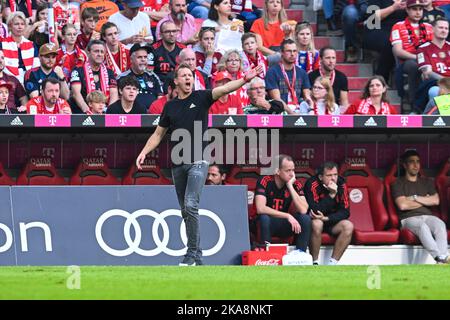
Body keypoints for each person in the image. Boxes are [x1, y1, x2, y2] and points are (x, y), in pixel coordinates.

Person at [135, 62, 263, 266]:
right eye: (183, 75)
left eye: (190, 75)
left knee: (191, 204)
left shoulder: (201, 97)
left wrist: (245, 79)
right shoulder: (170, 106)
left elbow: (225, 88)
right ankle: (198, 256)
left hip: (199, 160)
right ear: (175, 81)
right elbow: (158, 134)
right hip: (178, 163)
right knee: (185, 211)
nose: (188, 78)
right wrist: (143, 152)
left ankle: (190, 254)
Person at [391, 150, 449, 264]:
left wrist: (414, 198)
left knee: (440, 224)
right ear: (405, 165)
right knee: (422, 226)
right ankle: (439, 257)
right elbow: (402, 205)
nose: (415, 165)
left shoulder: (427, 182)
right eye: (411, 162)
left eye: (418, 162)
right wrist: (425, 200)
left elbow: (435, 200)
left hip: (428, 216)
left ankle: (442, 257)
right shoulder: (398, 183)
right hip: (408, 219)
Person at [254, 154, 312, 253]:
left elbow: (303, 209)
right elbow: (260, 208)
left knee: (305, 219)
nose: (292, 174)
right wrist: (287, 216)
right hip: (267, 223)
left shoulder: (295, 183)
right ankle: (267, 255)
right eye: (288, 170)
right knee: (264, 218)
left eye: (293, 170)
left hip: (284, 223)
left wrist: (290, 186)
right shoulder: (265, 180)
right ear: (277, 171)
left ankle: (300, 255)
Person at [303, 162, 354, 265]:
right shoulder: (312, 184)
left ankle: (332, 264)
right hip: (315, 220)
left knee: (348, 226)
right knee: (317, 224)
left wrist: (327, 218)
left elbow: (345, 212)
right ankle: (315, 263)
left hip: (331, 221)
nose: (333, 178)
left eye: (335, 174)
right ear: (321, 177)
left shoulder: (341, 184)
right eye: (329, 175)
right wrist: (331, 195)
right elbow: (314, 210)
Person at [390, 0, 433, 106]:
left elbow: (434, 48)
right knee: (415, 65)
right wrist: (418, 58)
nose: (418, 12)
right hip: (407, 62)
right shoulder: (398, 26)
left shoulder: (429, 26)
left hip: (428, 61)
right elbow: (398, 51)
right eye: (414, 9)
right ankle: (415, 104)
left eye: (420, 9)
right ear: (407, 10)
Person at [70, 39, 118, 113]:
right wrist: (87, 111)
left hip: (104, 112)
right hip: (83, 113)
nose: (99, 54)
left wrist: (109, 111)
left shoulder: (109, 71)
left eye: (102, 52)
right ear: (88, 52)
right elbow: (76, 93)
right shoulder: (78, 69)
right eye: (96, 51)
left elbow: (114, 93)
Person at [265, 39, 312, 113]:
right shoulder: (272, 72)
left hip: (299, 110)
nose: (292, 54)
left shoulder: (302, 73)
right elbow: (277, 99)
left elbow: (307, 95)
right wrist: (291, 113)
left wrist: (310, 104)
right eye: (289, 51)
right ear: (282, 53)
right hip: (280, 112)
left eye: (294, 51)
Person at [415, 18, 450, 111]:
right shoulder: (423, 49)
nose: (444, 30)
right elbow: (428, 72)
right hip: (438, 83)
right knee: (434, 91)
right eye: (441, 27)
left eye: (446, 28)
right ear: (433, 29)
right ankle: (439, 121)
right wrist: (446, 82)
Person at [118, 43, 163, 109]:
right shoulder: (122, 78)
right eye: (139, 57)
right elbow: (118, 101)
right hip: (132, 115)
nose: (143, 60)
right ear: (131, 60)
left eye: (145, 57)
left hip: (152, 115)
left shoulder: (153, 76)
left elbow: (160, 99)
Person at [0, 11, 40, 84]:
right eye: (16, 24)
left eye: (22, 24)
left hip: (29, 80)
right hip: (9, 80)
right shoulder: (2, 44)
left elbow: (36, 66)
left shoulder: (31, 44)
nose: (20, 27)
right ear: (10, 26)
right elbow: (2, 67)